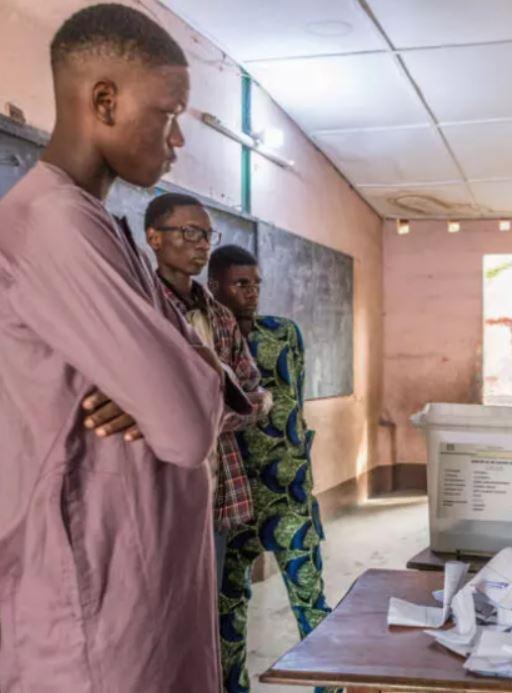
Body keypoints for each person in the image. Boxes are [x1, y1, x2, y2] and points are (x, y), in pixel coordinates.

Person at [0, 4, 251, 690]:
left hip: (145, 589)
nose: (175, 141)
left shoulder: (104, 229)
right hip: (96, 611)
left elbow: (208, 379)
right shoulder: (52, 224)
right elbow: (185, 426)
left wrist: (174, 375)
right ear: (103, 101)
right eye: (167, 114)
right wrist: (175, 382)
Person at [209, 245, 337, 693]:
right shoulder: (204, 343)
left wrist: (298, 460)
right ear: (214, 287)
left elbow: (294, 403)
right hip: (231, 500)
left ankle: (331, 685)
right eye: (240, 284)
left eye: (256, 283)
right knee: (227, 609)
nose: (252, 292)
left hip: (288, 494)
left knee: (310, 597)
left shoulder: (284, 334)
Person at [145, 193, 272, 584]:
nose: (202, 243)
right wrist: (227, 407)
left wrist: (204, 413)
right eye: (189, 232)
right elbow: (147, 402)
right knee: (157, 598)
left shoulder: (218, 316)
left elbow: (253, 392)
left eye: (207, 234)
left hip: (216, 485)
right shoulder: (139, 308)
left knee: (207, 599)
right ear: (154, 238)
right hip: (155, 482)